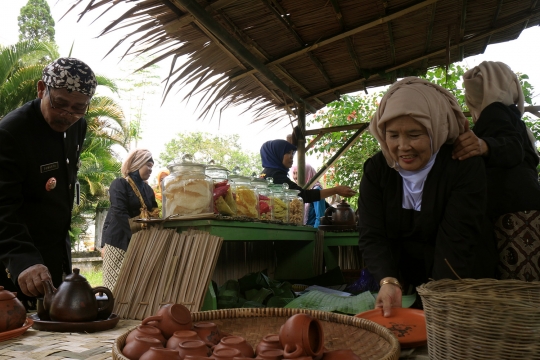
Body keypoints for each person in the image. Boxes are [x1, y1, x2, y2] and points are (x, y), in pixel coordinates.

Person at [358, 77, 497, 317]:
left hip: (459, 278)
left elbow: (458, 238)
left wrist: (436, 300)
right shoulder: (377, 170)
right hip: (404, 284)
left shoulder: (462, 165)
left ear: (436, 129)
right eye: (392, 135)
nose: (403, 147)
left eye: (414, 135)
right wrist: (388, 281)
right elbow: (372, 233)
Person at [0, 57, 97, 308]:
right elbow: (3, 207)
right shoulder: (11, 132)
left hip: (54, 254)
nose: (67, 115)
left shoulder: (78, 125)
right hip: (15, 260)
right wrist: (23, 259)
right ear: (42, 89)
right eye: (60, 104)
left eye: (78, 108)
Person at [453, 61, 540, 281]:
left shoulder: (494, 111)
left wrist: (485, 145)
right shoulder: (510, 115)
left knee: (516, 285)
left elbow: (512, 148)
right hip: (525, 208)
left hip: (511, 214)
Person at [100, 149, 159, 290]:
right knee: (114, 288)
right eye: (148, 165)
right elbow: (118, 212)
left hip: (140, 243)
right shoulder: (119, 184)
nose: (151, 169)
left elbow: (154, 212)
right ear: (137, 164)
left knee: (134, 288)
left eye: (152, 166)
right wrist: (104, 244)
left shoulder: (148, 190)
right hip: (118, 242)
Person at [259, 139, 356, 203]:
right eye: (287, 153)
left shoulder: (266, 173)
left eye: (292, 153)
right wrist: (335, 190)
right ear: (276, 154)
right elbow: (302, 195)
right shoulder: (275, 175)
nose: (291, 157)